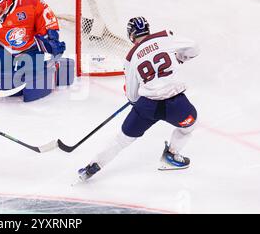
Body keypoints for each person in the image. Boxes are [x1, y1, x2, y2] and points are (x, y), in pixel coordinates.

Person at [78, 17, 200, 181]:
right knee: (189, 126)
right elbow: (194, 46)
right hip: (175, 104)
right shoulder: (165, 36)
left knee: (121, 140)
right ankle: (171, 155)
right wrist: (181, 57)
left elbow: (132, 95)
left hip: (147, 107)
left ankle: (91, 168)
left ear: (131, 35)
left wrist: (138, 104)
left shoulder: (130, 58)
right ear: (148, 29)